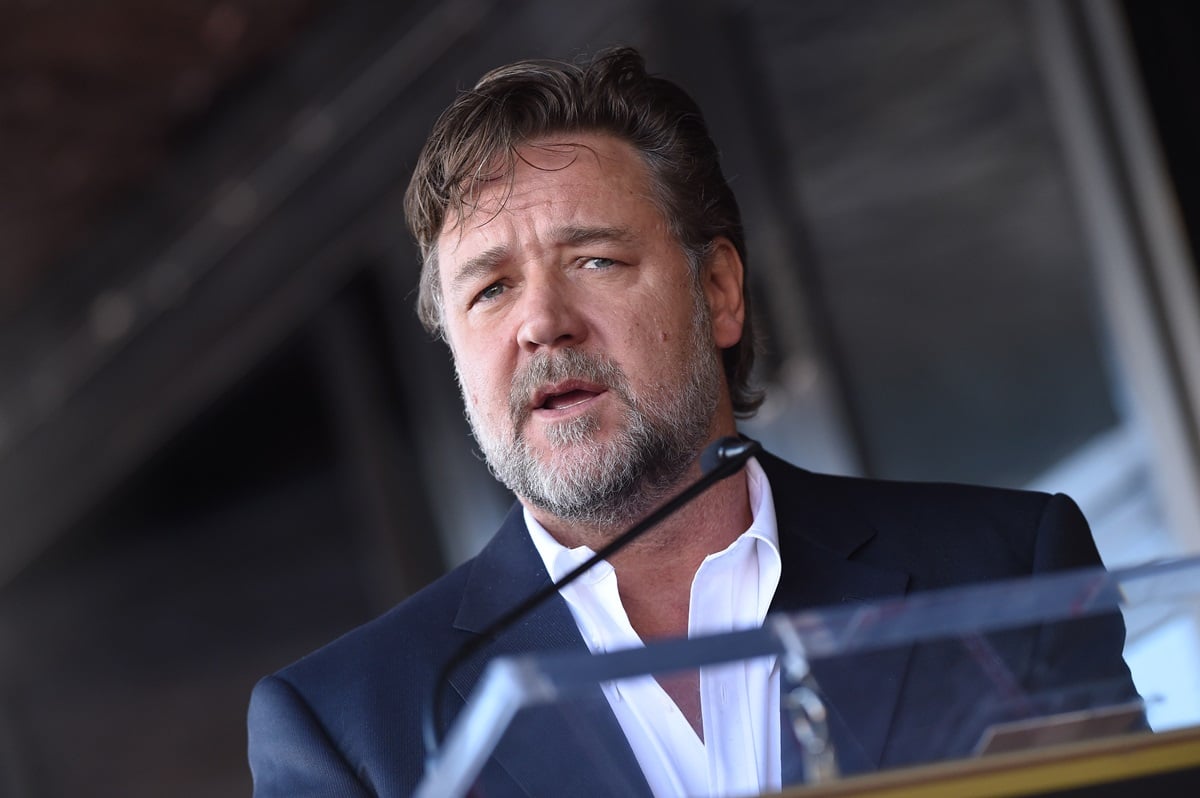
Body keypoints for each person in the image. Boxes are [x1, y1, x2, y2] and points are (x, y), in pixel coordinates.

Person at [246, 47, 1137, 797]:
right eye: (489, 289)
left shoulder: (1000, 572)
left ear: (718, 292)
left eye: (593, 259)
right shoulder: (347, 730)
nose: (539, 321)